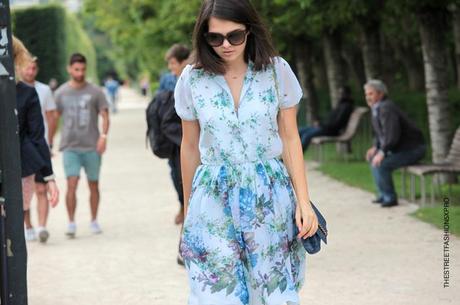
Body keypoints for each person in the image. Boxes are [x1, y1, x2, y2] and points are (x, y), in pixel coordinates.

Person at [174, 1, 318, 304]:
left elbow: (290, 138)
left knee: (272, 290)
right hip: (213, 196)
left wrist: (303, 201)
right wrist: (189, 213)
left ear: (249, 31)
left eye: (234, 36)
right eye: (215, 38)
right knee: (216, 293)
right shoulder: (192, 79)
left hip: (269, 193)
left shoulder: (277, 71)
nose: (225, 45)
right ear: (204, 38)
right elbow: (189, 148)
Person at [55, 53, 110, 237]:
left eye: (83, 69)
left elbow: (105, 115)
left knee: (93, 184)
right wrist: (48, 141)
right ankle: (71, 223)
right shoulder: (61, 93)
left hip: (92, 146)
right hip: (70, 146)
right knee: (71, 183)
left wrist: (103, 136)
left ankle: (94, 220)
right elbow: (54, 117)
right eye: (76, 69)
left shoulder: (96, 92)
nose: (80, 73)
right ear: (69, 69)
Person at [12, 37, 59, 239]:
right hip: (19, 166)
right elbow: (36, 137)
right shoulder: (26, 93)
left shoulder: (31, 93)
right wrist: (49, 177)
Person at [364, 79, 426, 207]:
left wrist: (382, 152)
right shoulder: (377, 108)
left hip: (413, 149)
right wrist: (375, 147)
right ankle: (383, 194)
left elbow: (392, 134)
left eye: (371, 94)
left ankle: (390, 197)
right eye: (366, 94)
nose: (367, 97)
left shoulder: (386, 108)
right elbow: (379, 133)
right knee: (373, 158)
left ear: (380, 94)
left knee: (382, 164)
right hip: (401, 149)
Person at [298, 86, 354, 151]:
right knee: (299, 131)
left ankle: (296, 157)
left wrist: (321, 124)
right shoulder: (341, 105)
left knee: (306, 135)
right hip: (324, 127)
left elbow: (336, 124)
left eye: (342, 93)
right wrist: (320, 122)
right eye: (340, 93)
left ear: (348, 94)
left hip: (330, 130)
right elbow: (330, 119)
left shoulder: (346, 107)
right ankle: (289, 155)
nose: (340, 95)